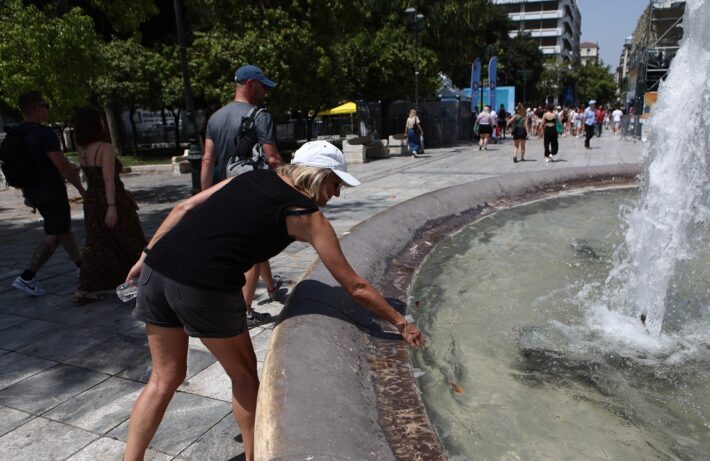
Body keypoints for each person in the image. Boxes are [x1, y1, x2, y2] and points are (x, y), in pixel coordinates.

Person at [122, 141, 426, 461]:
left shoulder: (250, 176)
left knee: (163, 378)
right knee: (244, 376)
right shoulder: (305, 215)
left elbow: (183, 208)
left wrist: (145, 256)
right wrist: (401, 322)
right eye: (336, 184)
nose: (336, 194)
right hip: (204, 285)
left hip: (157, 269)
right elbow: (354, 284)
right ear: (318, 175)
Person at [201, 64, 284, 327]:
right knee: (254, 248)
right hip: (253, 191)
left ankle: (271, 288)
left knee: (257, 244)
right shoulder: (259, 115)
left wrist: (205, 197)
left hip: (226, 191)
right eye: (262, 86)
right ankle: (245, 312)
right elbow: (272, 158)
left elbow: (206, 160)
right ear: (250, 84)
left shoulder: (215, 118)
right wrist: (289, 186)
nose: (265, 92)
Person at [11, 91, 86, 296]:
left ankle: (81, 266)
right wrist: (80, 188)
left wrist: (28, 194)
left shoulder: (20, 133)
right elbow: (62, 165)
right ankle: (27, 276)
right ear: (36, 109)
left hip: (34, 191)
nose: (47, 110)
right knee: (53, 235)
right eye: (45, 106)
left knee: (63, 228)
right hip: (51, 191)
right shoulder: (44, 134)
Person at [73, 106, 147, 303]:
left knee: (96, 244)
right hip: (110, 200)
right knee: (132, 239)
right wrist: (112, 207)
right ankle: (147, 278)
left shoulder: (81, 149)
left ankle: (85, 287)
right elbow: (108, 180)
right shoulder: (104, 148)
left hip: (92, 200)